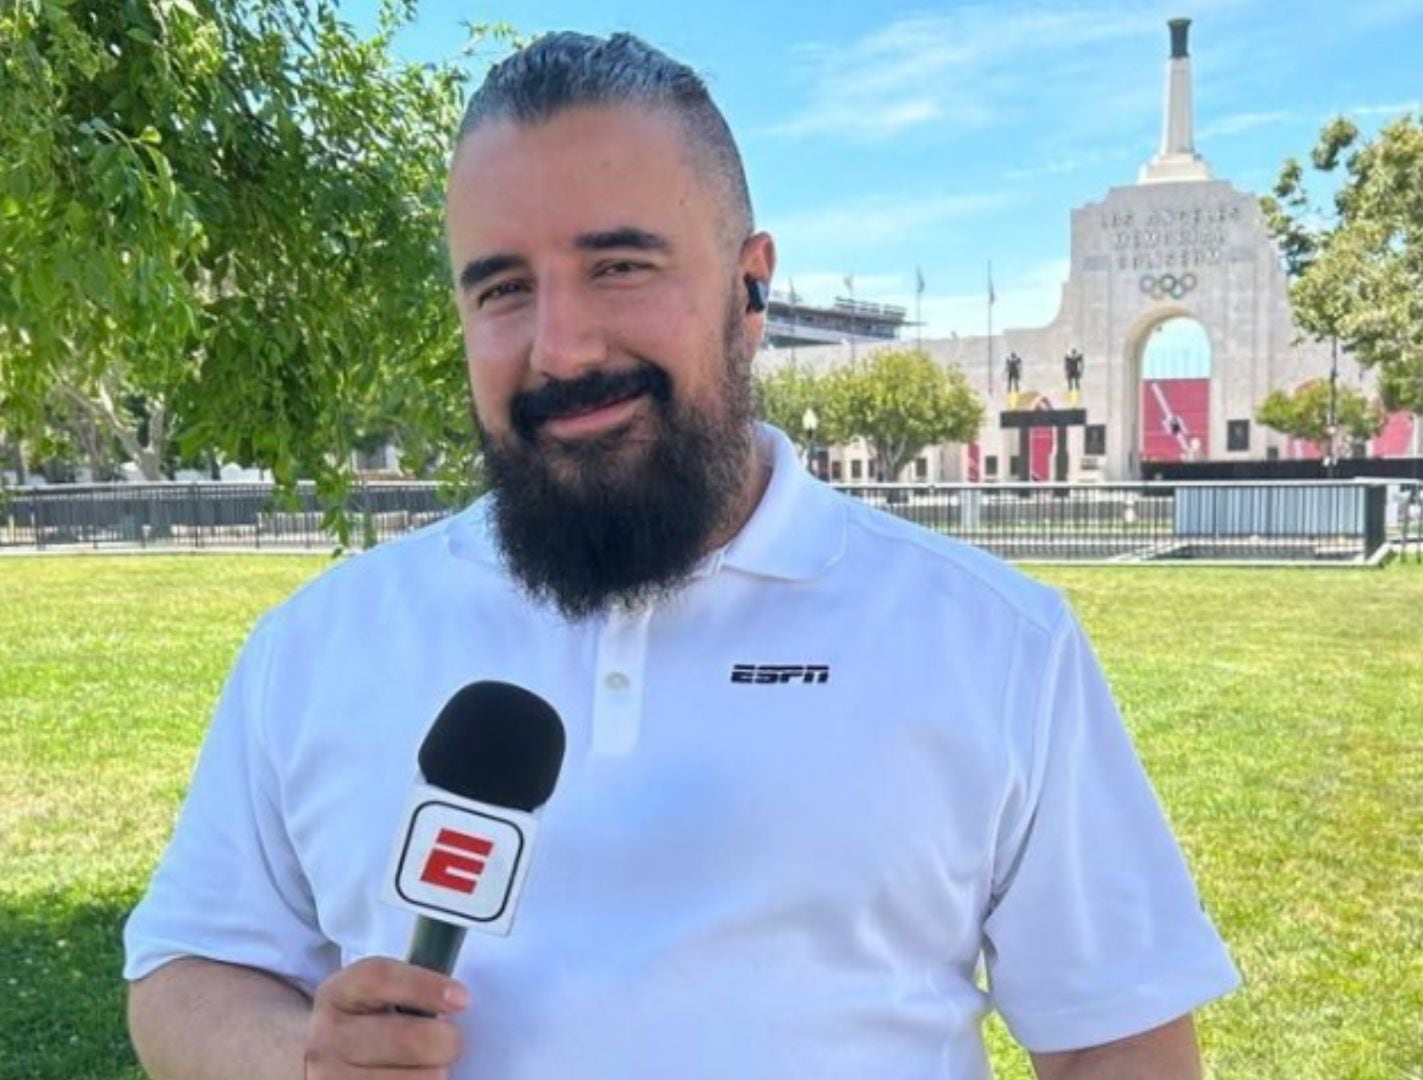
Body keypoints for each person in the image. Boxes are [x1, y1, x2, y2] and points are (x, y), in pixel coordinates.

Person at [123, 32, 1238, 1080]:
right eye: (503, 288)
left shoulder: (996, 646)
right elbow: (187, 968)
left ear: (751, 289)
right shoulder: (318, 646)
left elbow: (1116, 1042)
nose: (561, 346)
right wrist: (297, 1059)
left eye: (618, 266)